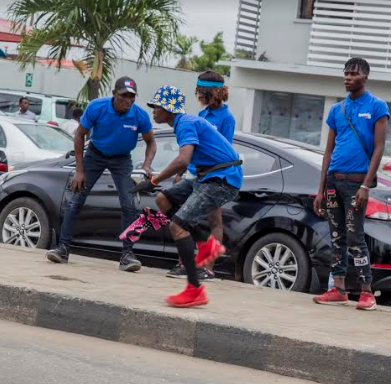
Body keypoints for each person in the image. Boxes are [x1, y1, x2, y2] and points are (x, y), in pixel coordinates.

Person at [135, 85, 243, 307]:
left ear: (169, 109)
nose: (153, 110)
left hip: (221, 179)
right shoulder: (185, 123)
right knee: (163, 199)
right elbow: (190, 158)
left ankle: (195, 290)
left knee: (177, 226)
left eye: (157, 106)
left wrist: (154, 180)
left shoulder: (184, 123)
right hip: (209, 176)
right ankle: (205, 243)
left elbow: (183, 159)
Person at [46, 76, 157, 272]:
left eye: (132, 97)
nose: (128, 101)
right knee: (77, 199)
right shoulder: (97, 107)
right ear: (114, 94)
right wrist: (80, 170)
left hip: (121, 159)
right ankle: (63, 248)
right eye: (124, 96)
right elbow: (79, 134)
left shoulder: (139, 115)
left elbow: (151, 142)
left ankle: (127, 255)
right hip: (95, 156)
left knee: (129, 204)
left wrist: (147, 164)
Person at [312, 57, 389, 311]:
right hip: (334, 181)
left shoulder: (377, 106)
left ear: (365, 77)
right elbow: (328, 150)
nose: (347, 77)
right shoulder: (337, 110)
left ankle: (367, 292)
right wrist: (321, 189)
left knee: (356, 236)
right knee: (337, 237)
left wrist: (366, 186)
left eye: (353, 73)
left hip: (357, 184)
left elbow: (379, 148)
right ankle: (339, 289)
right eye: (345, 73)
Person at [166, 70, 236, 282]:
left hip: (215, 177)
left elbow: (225, 150)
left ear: (210, 92)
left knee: (215, 220)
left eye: (200, 92)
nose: (198, 96)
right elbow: (191, 148)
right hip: (197, 175)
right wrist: (180, 173)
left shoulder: (226, 118)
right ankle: (183, 263)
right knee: (185, 217)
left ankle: (208, 268)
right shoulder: (201, 116)